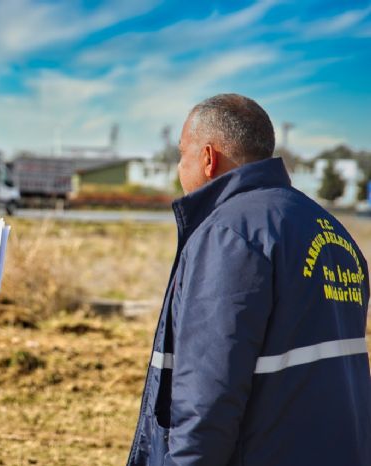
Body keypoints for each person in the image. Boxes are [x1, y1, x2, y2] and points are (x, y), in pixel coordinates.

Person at [127, 94, 371, 466]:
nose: (180, 167)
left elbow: (207, 395)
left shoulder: (230, 234)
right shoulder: (334, 232)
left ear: (208, 158)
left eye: (182, 154)